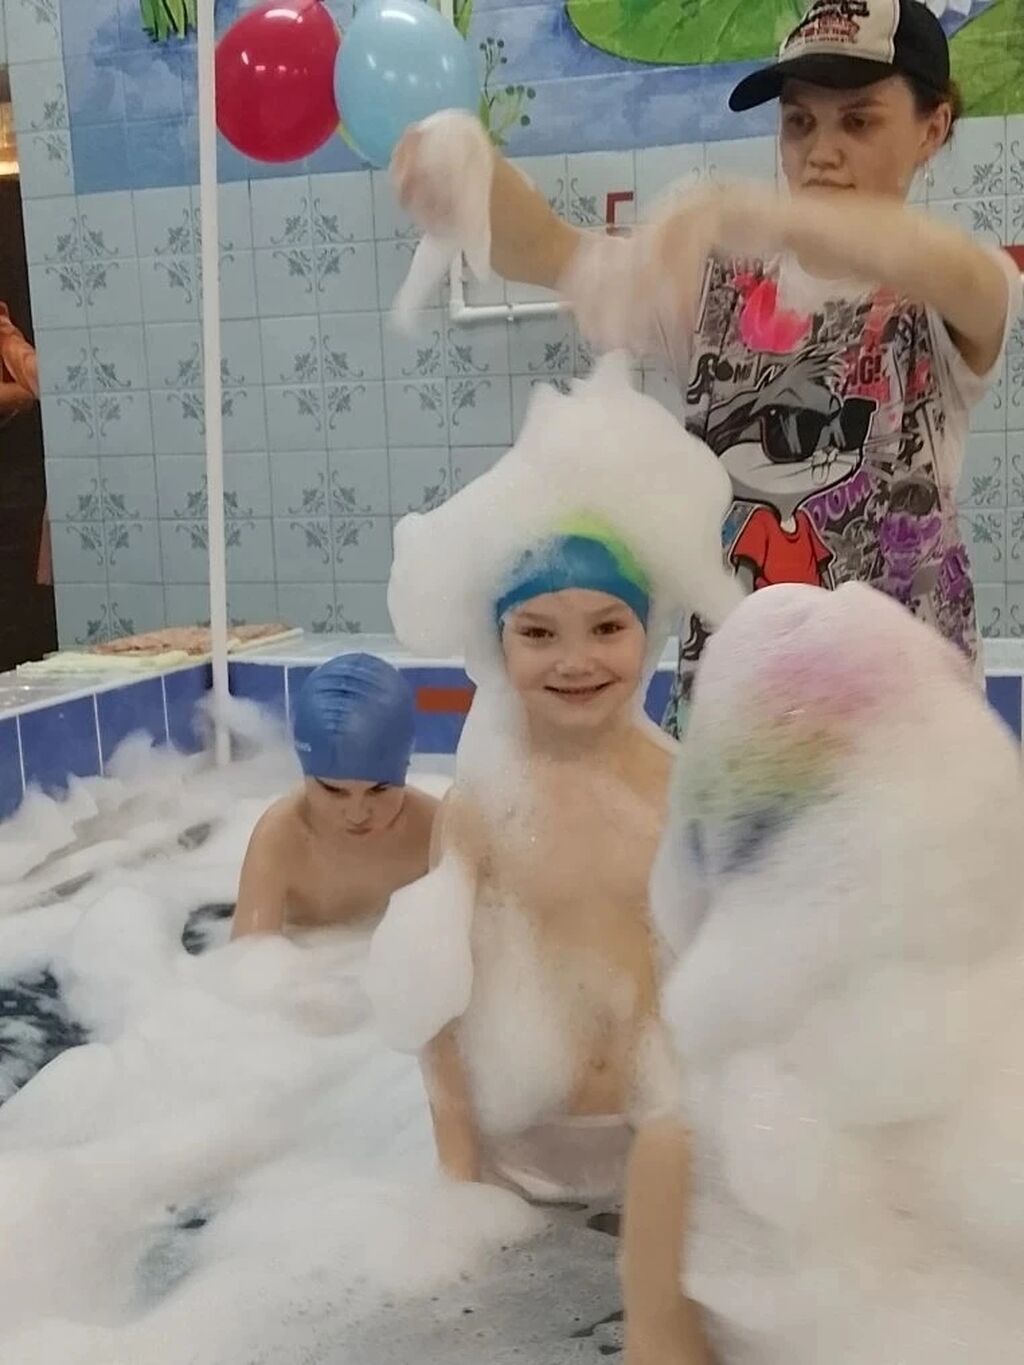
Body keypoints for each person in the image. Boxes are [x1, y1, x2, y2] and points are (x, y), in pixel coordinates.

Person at [393, 0, 1023, 740]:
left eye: (858, 122)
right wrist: (466, 171)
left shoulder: (953, 290)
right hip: (733, 733)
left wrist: (760, 214)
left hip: (902, 743)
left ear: (933, 129)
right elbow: (553, 252)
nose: (821, 153)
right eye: (799, 122)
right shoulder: (718, 291)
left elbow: (940, 262)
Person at [413, 522, 677, 1202]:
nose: (575, 661)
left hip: (663, 1151)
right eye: (538, 633)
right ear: (497, 645)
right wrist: (458, 1187)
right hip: (522, 1161)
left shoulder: (683, 791)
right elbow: (438, 1012)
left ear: (648, 632)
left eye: (607, 627)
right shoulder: (478, 809)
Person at [230, 653, 438, 938]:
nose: (357, 813)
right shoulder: (280, 838)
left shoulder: (434, 829)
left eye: (378, 789)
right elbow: (249, 954)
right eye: (333, 790)